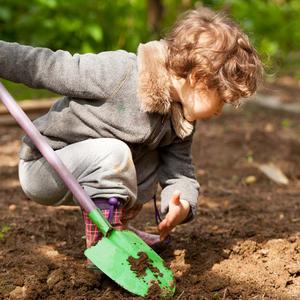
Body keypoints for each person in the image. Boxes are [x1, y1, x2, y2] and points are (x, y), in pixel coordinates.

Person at [0, 7, 262, 266]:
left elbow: (180, 172)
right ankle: (105, 244)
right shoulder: (120, 73)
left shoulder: (180, 120)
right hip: (47, 167)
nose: (219, 112)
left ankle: (117, 228)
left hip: (87, 178)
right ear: (197, 78)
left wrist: (180, 203)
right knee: (116, 152)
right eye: (222, 100)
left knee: (145, 160)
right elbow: (49, 66)